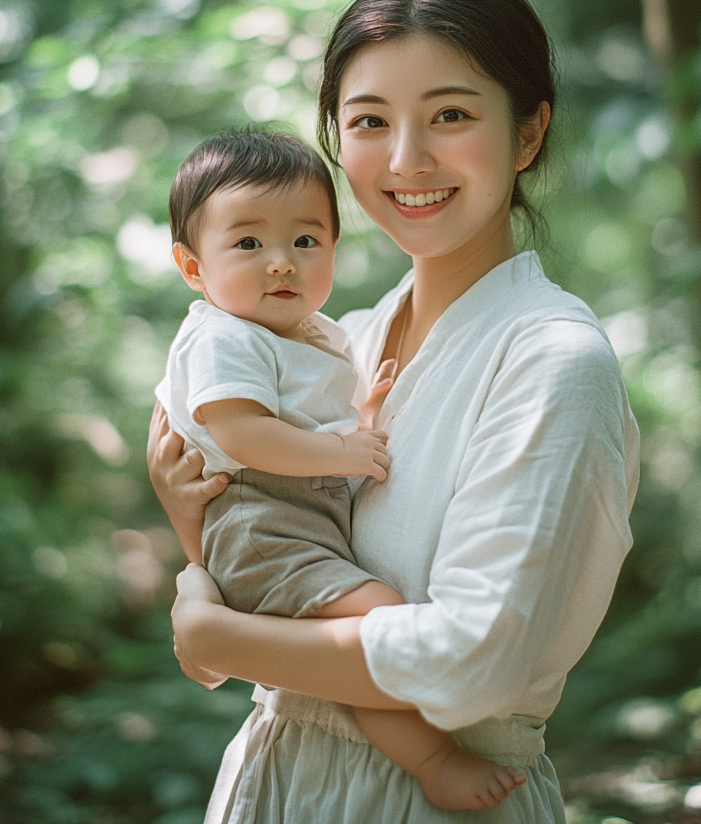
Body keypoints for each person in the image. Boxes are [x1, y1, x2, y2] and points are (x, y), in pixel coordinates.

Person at [148, 0, 641, 823]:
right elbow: (267, 538)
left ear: (529, 135)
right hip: (275, 781)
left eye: (450, 115)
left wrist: (214, 631)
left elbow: (470, 659)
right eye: (370, 121)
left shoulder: (553, 360)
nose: (407, 159)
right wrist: (187, 516)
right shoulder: (337, 343)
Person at [156, 126, 528, 810]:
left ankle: (424, 753)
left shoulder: (314, 332)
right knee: (378, 625)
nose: (281, 263)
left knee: (345, 650)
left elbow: (300, 416)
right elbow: (242, 432)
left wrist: (360, 417)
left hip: (294, 519)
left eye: (305, 241)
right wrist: (342, 451)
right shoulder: (223, 335)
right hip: (263, 520)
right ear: (193, 266)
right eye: (248, 243)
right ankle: (433, 759)